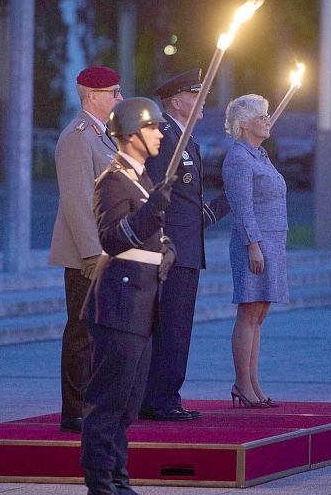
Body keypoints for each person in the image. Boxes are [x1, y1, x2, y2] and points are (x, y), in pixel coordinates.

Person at [80, 97, 175, 495]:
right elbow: (113, 238)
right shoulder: (113, 180)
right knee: (108, 403)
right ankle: (100, 484)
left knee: (129, 403)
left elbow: (152, 235)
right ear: (133, 134)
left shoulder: (141, 179)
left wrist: (167, 248)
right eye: (152, 127)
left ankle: (119, 479)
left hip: (141, 303)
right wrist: (153, 211)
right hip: (119, 303)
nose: (159, 134)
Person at [140, 68, 230, 421]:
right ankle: (159, 400)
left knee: (179, 327)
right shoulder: (166, 138)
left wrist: (222, 205)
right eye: (196, 95)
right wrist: (161, 243)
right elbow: (156, 196)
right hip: (172, 250)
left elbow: (186, 202)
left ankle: (167, 396)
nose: (203, 100)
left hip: (188, 247)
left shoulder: (185, 138)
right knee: (170, 327)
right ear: (176, 102)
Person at [49, 66, 122, 434]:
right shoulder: (78, 137)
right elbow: (77, 201)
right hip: (87, 256)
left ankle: (93, 403)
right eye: (114, 92)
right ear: (93, 96)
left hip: (106, 251)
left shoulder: (101, 136)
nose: (120, 98)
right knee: (81, 333)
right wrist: (92, 253)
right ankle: (75, 410)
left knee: (99, 333)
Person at [221, 94, 289, 409]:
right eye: (262, 116)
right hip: (254, 243)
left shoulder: (260, 155)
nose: (268, 120)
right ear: (245, 123)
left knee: (259, 315)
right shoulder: (239, 158)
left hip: (272, 242)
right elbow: (242, 207)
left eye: (267, 115)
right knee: (249, 313)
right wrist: (253, 246)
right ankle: (242, 384)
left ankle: (253, 383)